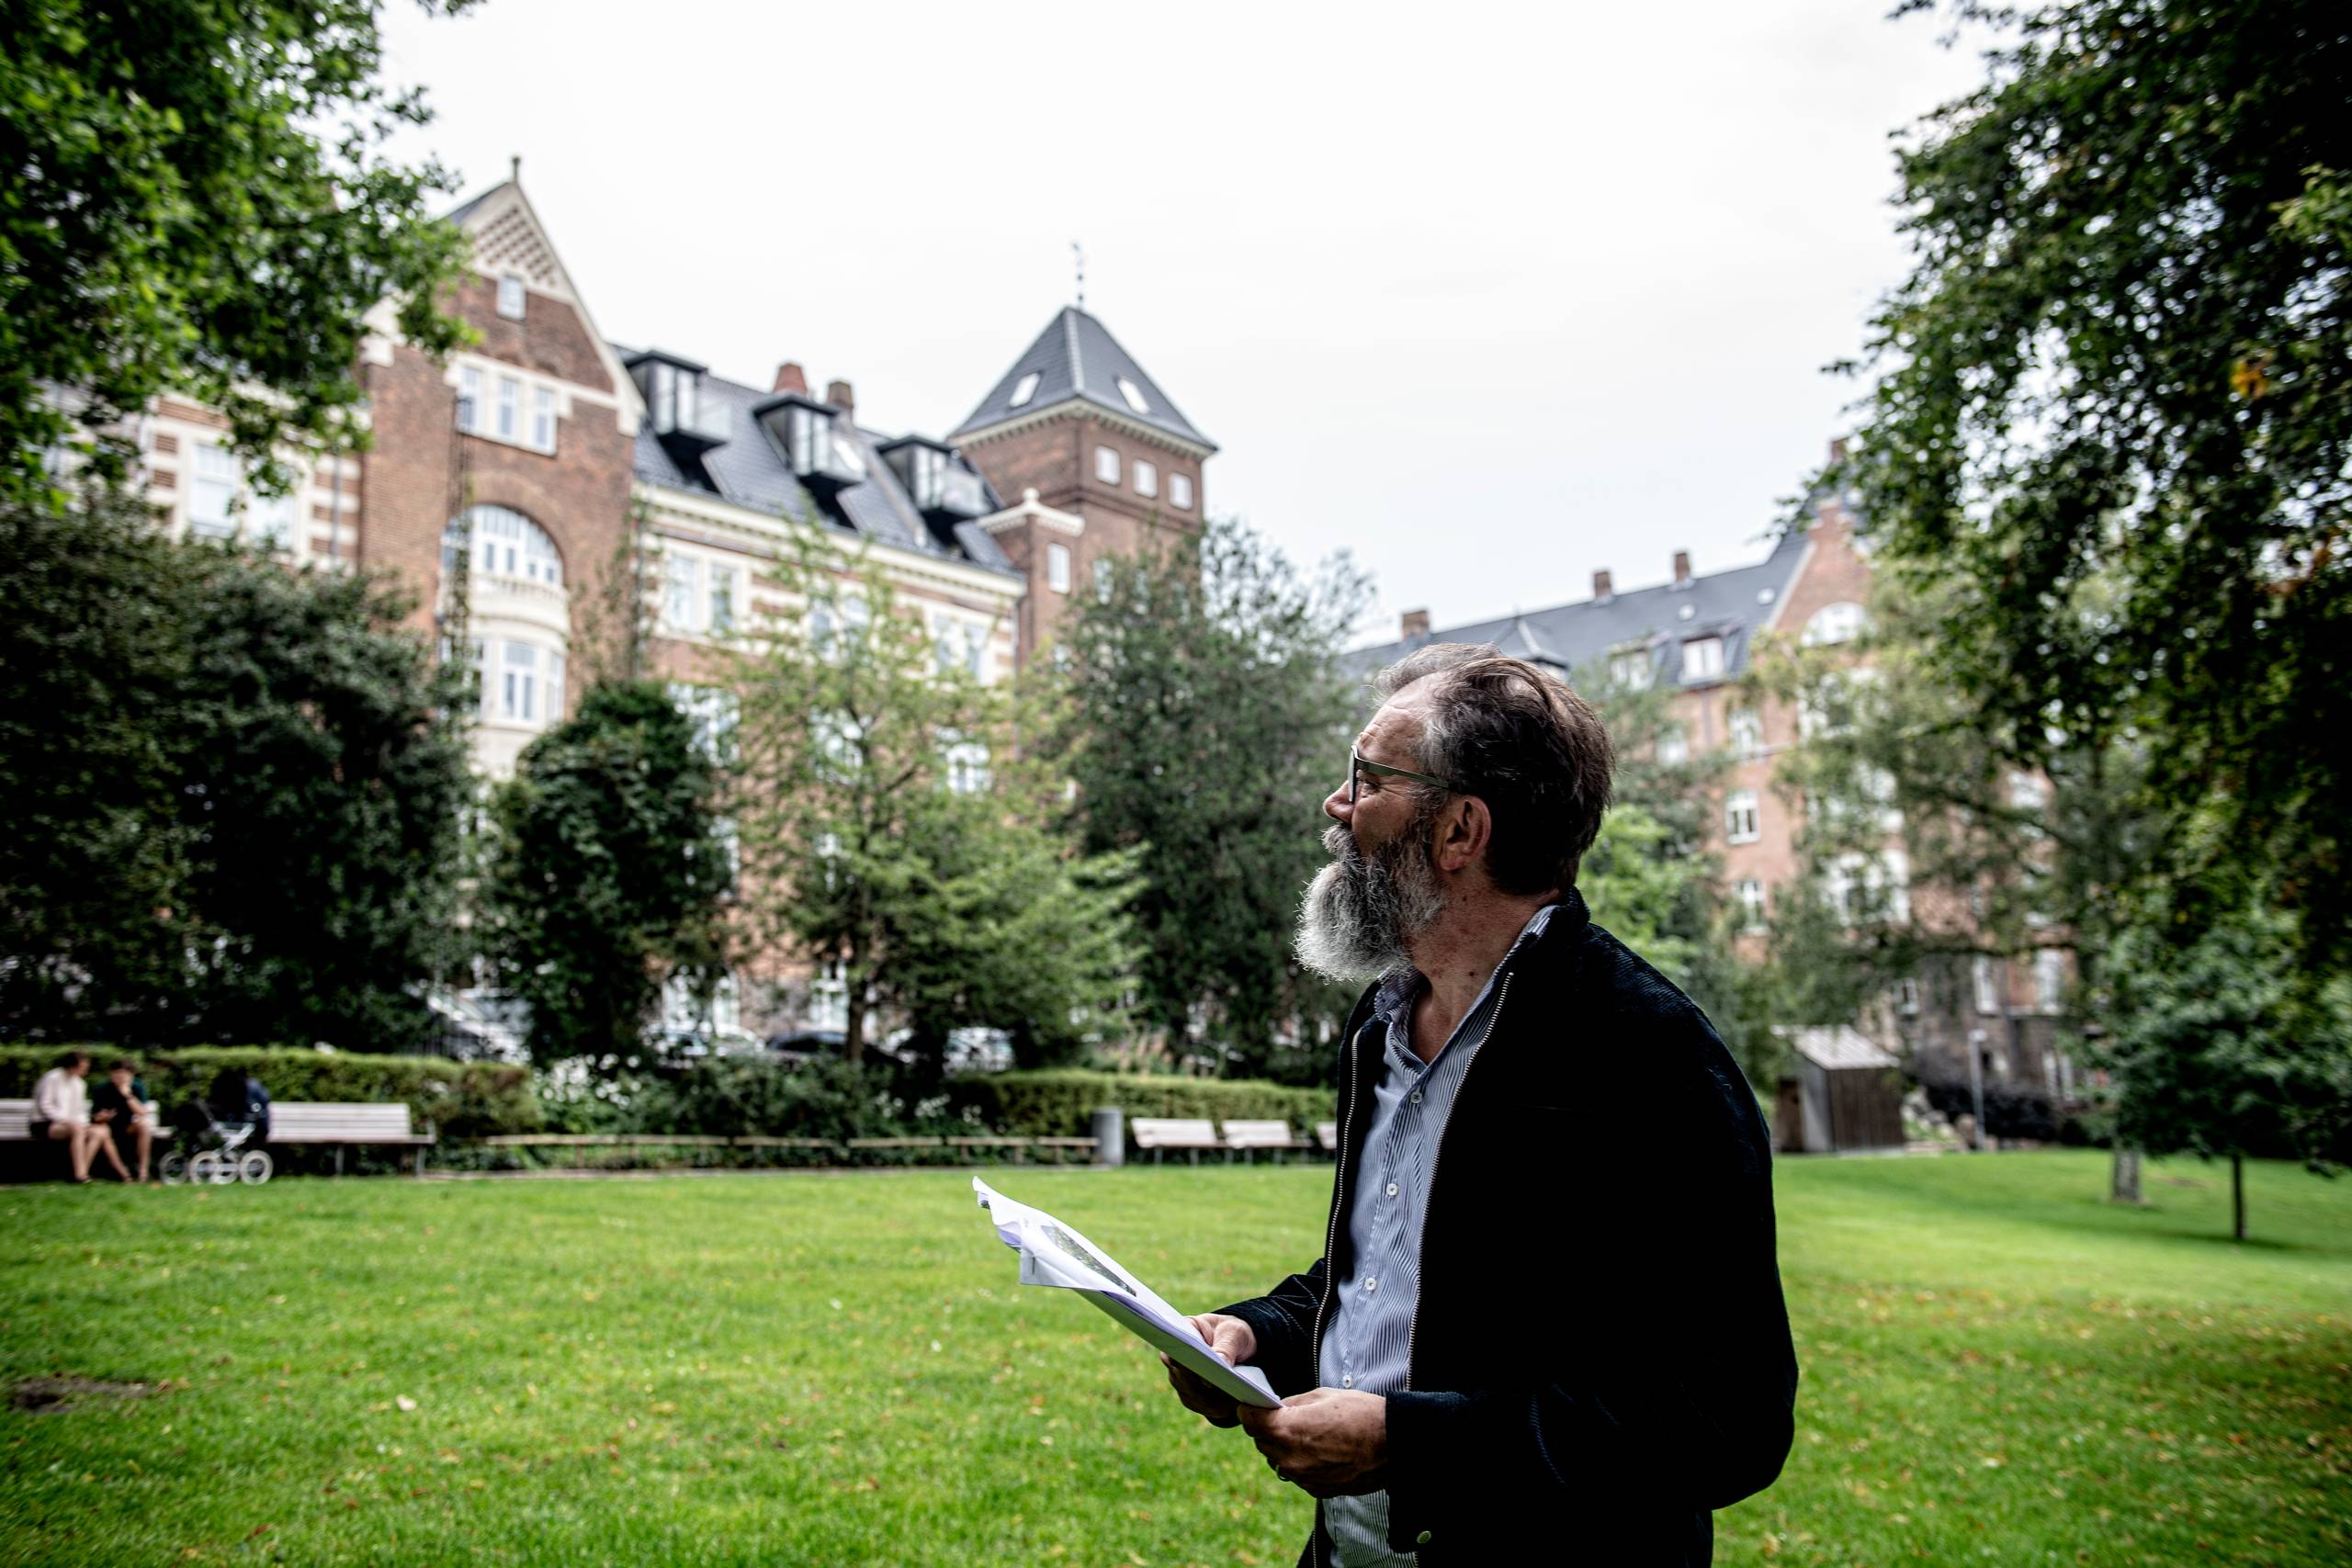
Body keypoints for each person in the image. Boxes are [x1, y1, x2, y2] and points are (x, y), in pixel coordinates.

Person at [1162, 645, 1797, 1566]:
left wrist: (1408, 1440)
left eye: (1367, 780)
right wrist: (1260, 1333)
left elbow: (1722, 1421)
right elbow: (1392, 1278)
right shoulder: (1380, 1023)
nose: (1335, 809)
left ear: (1460, 831)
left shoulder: (1649, 1058)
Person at [28, 1051, 129, 1184]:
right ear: (72, 1066)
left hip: (71, 1125)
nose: (86, 1068)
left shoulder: (80, 1084)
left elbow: (79, 1111)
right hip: (45, 1123)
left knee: (100, 1131)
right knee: (77, 1128)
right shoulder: (52, 1078)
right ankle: (79, 1175)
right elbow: (45, 1105)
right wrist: (66, 1120)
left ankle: (85, 1172)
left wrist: (84, 1123)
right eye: (83, 1065)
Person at [89, 1059, 159, 1183]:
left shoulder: (137, 1086)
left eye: (123, 1074)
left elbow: (142, 1112)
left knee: (144, 1126)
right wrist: (102, 1117)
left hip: (127, 1126)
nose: (119, 1077)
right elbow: (94, 1117)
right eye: (116, 1074)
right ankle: (124, 1174)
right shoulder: (102, 1089)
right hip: (108, 1127)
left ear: (131, 1075)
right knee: (103, 1131)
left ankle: (143, 1173)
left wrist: (127, 1095)